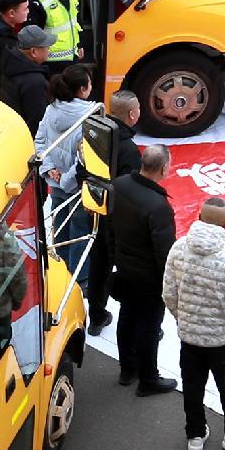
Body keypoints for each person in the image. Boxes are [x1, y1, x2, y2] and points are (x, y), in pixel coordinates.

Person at [163, 198, 225, 450]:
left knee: (192, 386)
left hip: (190, 339)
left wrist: (183, 319)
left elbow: (169, 294)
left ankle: (195, 434)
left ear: (198, 217)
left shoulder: (178, 248)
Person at [109, 144, 177, 396]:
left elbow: (108, 226)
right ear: (164, 168)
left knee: (127, 317)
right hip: (149, 278)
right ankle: (148, 379)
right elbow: (164, 252)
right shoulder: (158, 206)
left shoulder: (119, 185)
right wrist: (169, 283)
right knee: (149, 327)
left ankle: (127, 369)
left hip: (124, 266)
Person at [87, 89, 143, 337]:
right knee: (129, 271)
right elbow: (130, 190)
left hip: (95, 208)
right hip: (118, 219)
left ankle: (96, 316)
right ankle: (139, 321)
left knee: (98, 267)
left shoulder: (96, 132)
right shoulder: (128, 149)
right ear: (132, 114)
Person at [34, 65, 96, 287]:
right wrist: (67, 180)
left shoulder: (52, 109)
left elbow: (40, 141)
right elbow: (86, 158)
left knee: (59, 227)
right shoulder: (91, 115)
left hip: (56, 182)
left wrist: (50, 169)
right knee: (79, 232)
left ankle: (59, 271)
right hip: (76, 186)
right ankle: (79, 279)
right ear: (83, 89)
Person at [0, 25, 55, 136]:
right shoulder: (35, 82)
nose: (49, 49)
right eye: (46, 46)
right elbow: (38, 122)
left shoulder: (11, 67)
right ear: (33, 52)